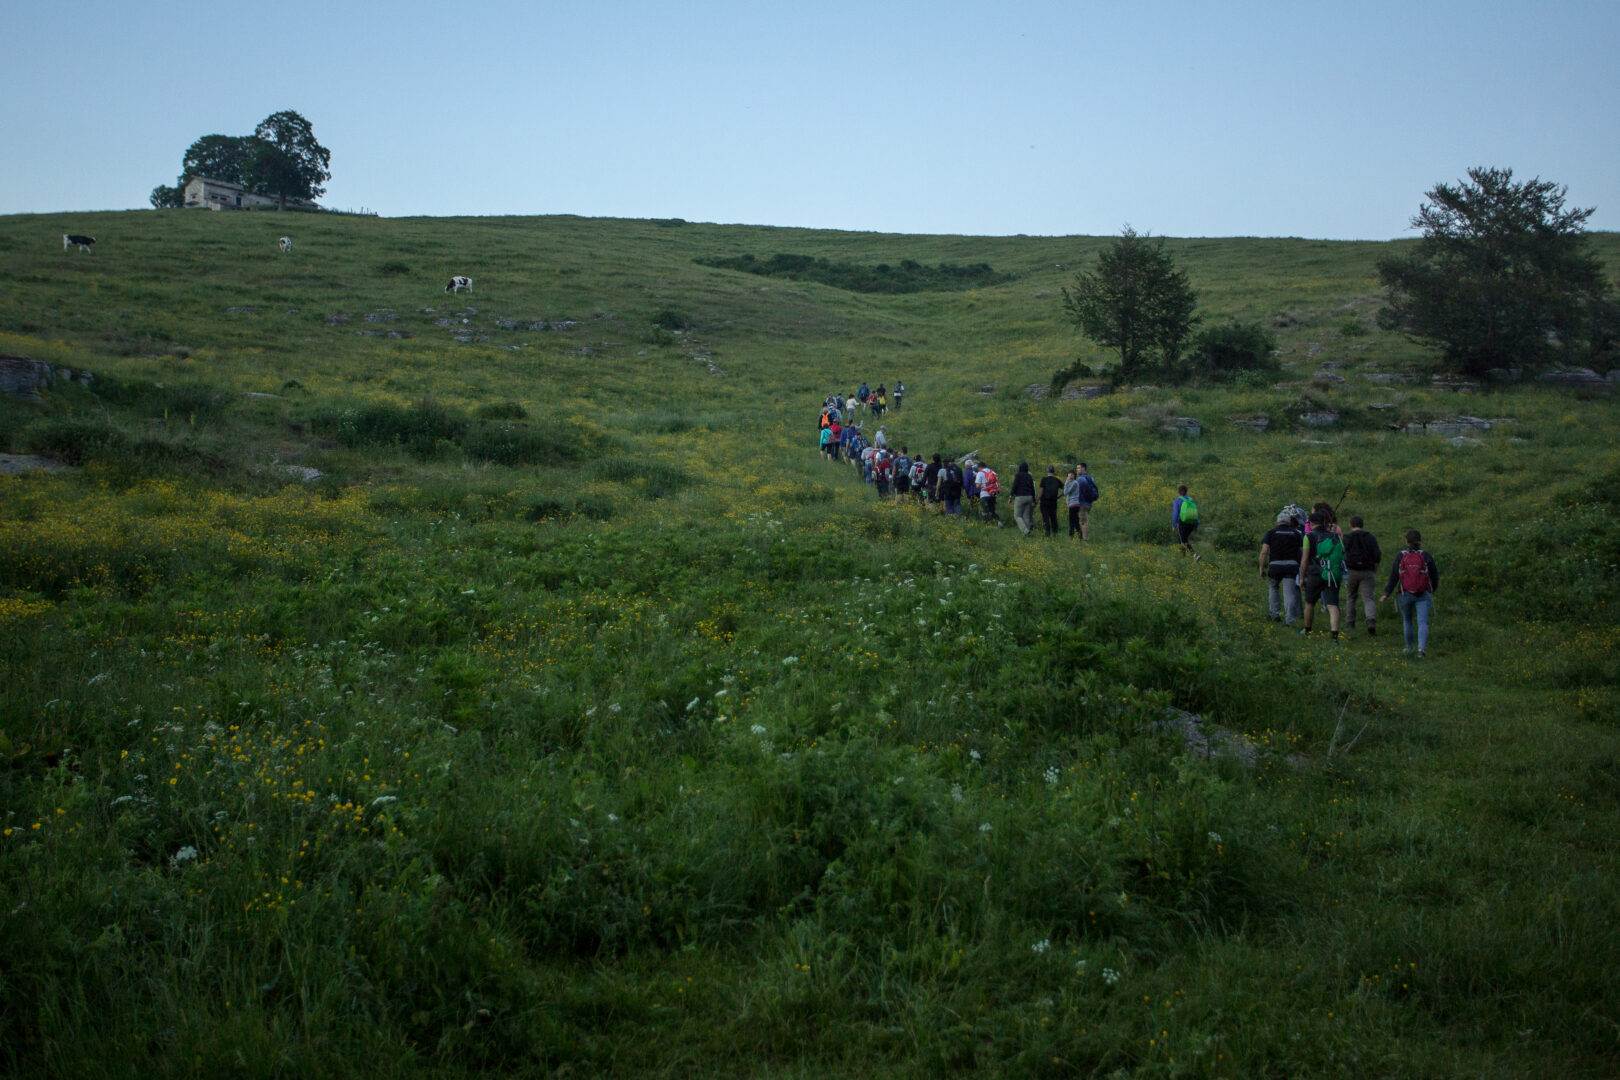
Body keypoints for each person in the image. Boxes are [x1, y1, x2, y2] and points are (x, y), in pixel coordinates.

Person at [1381, 530, 1440, 657]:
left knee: (1407, 621)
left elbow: (1394, 576)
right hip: (1423, 594)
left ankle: (1408, 647)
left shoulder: (1401, 556)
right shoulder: (1426, 555)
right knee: (1422, 622)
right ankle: (1421, 650)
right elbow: (1434, 575)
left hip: (1405, 593)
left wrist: (1387, 593)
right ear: (1420, 541)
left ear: (1406, 541)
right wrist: (1432, 589)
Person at [1298, 511, 1345, 639]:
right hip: (1332, 574)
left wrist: (1302, 578)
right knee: (1332, 605)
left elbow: (1304, 560)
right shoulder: (1335, 536)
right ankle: (1335, 635)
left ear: (1311, 523)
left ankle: (1307, 630)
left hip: (1315, 574)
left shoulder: (1309, 537)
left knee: (1309, 603)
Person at [1259, 509, 1304, 625]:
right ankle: (1290, 620)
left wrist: (1261, 569)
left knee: (1273, 587)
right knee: (1289, 592)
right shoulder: (1296, 534)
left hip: (1275, 566)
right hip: (1291, 566)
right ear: (1289, 522)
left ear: (1277, 522)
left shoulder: (1271, 532)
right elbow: (1302, 552)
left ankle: (1274, 614)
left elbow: (1264, 552)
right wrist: (1302, 568)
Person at [1342, 515, 1382, 635]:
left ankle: (1350, 622)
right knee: (1368, 598)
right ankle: (1370, 621)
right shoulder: (1370, 537)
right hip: (1367, 571)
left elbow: (1343, 553)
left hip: (1351, 571)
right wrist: (1375, 567)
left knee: (1351, 597)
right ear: (1362, 524)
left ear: (1351, 524)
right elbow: (1377, 554)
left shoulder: (1347, 537)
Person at [1067, 462, 1098, 540]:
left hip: (1082, 503)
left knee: (1083, 521)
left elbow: (1078, 491)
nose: (1077, 470)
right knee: (1083, 520)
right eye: (1077, 468)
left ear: (1083, 468)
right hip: (1089, 502)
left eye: (1079, 468)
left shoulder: (1080, 479)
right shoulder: (1090, 477)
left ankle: (1085, 539)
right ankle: (1081, 537)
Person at [1171, 485, 1200, 558]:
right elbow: (1195, 513)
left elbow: (1175, 513)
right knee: (1183, 540)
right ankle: (1183, 557)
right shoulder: (1191, 500)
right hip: (1191, 523)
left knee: (1183, 541)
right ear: (1186, 491)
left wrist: (1174, 525)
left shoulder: (1177, 501)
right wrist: (1196, 524)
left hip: (1182, 523)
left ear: (1179, 492)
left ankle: (1195, 556)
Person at [1038, 465, 1063, 537]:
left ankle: (1047, 533)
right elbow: (1065, 489)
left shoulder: (1044, 479)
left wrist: (1037, 500)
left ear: (1047, 471)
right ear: (1054, 471)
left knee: (1045, 517)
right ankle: (1055, 532)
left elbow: (1041, 491)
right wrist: (1059, 496)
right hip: (1053, 501)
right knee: (1053, 517)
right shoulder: (1057, 480)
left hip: (1044, 502)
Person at [977, 460, 1001, 525]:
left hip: (984, 495)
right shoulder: (992, 472)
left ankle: (987, 524)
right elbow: (997, 482)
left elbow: (978, 485)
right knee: (992, 510)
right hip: (992, 494)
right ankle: (999, 522)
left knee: (984, 511)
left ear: (980, 467)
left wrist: (982, 486)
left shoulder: (980, 473)